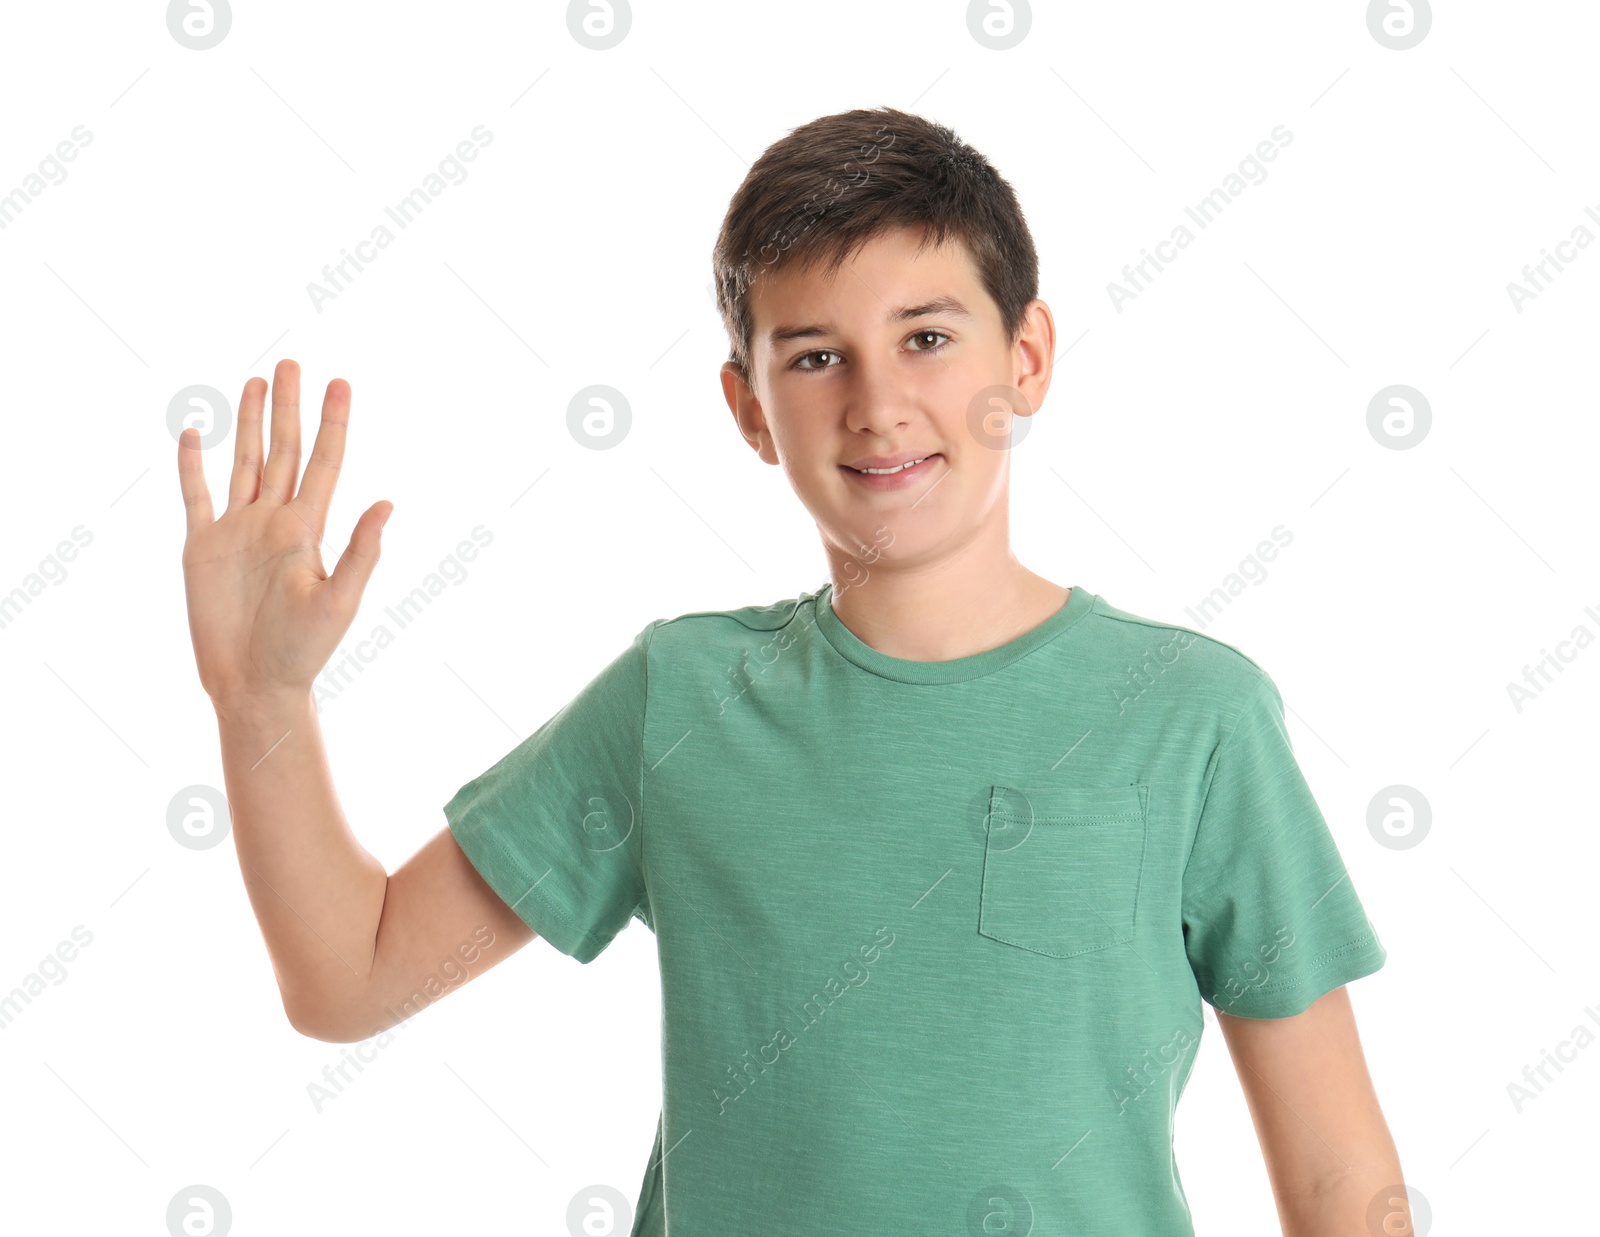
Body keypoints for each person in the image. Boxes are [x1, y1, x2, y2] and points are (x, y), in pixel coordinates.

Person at [176, 105, 1410, 1236]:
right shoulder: (681, 695)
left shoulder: (1191, 716)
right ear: (748, 407)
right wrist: (261, 701)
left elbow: (1338, 1186)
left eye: (926, 337)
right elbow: (350, 979)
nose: (878, 403)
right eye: (815, 356)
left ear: (1024, 356)